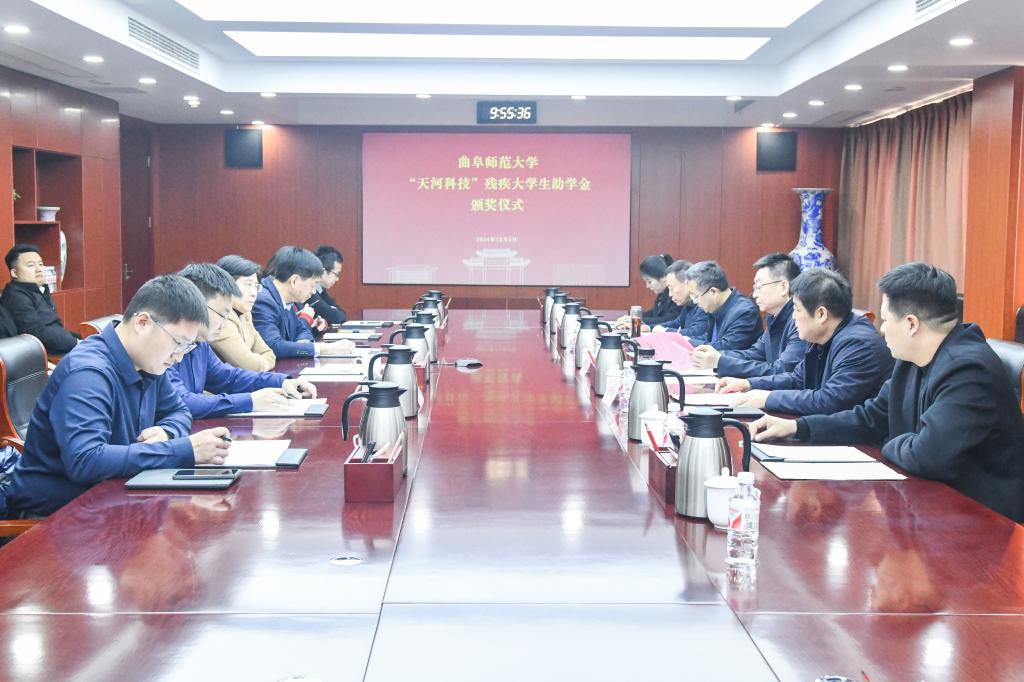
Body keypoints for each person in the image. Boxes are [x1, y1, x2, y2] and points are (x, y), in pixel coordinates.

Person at [749, 262, 1024, 521]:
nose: (881, 329)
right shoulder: (912, 359)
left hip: (980, 518)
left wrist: (889, 441)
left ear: (911, 324)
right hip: (929, 501)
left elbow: (928, 457)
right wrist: (798, 427)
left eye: (885, 320)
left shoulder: (968, 370)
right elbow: (870, 418)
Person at [1, 275, 232, 517]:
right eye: (179, 343)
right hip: (59, 515)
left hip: (114, 496)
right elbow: (85, 460)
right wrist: (183, 450)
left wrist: (167, 432)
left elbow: (179, 410)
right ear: (142, 323)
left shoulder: (148, 362)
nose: (179, 356)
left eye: (188, 346)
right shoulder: (88, 373)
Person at [718, 268, 893, 415]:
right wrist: (748, 384)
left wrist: (768, 398)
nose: (794, 317)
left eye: (797, 309)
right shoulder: (822, 336)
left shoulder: (858, 345)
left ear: (821, 314)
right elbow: (797, 379)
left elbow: (830, 401)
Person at [166, 263, 317, 419]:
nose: (224, 323)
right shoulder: (165, 345)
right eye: (222, 314)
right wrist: (250, 401)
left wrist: (281, 382)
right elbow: (181, 402)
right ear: (196, 305)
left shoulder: (200, 343)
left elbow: (229, 378)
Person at [692, 252, 807, 377]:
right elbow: (754, 354)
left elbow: (782, 371)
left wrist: (721, 362)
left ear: (783, 287)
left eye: (759, 287)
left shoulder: (799, 322)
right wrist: (717, 357)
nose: (755, 294)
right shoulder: (775, 318)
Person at [252, 246, 356, 359]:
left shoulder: (288, 298)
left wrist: (303, 343)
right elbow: (273, 347)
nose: (313, 291)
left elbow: (301, 329)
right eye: (312, 285)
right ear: (294, 281)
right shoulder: (263, 300)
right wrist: (326, 349)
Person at [1, 243, 80, 354]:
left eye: (41, 264)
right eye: (31, 265)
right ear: (14, 273)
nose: (39, 269)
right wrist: (76, 343)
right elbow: (35, 332)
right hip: (40, 356)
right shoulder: (15, 296)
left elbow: (54, 328)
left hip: (60, 348)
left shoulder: (37, 290)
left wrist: (80, 339)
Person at [210, 255, 277, 372]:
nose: (254, 293)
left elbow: (269, 354)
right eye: (248, 284)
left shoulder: (244, 312)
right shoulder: (219, 317)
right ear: (226, 284)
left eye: (256, 286)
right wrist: (260, 363)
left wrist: (259, 363)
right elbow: (250, 366)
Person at [684, 260, 761, 351]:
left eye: (696, 296)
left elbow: (725, 348)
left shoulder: (745, 312)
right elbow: (712, 338)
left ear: (713, 292)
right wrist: (685, 340)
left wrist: (689, 342)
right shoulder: (717, 306)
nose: (694, 301)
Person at [616, 254, 681, 329]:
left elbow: (669, 320)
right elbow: (654, 313)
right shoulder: (662, 293)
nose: (647, 286)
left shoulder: (675, 295)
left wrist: (638, 320)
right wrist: (633, 317)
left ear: (663, 277)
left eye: (649, 281)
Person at [650, 259, 710, 340]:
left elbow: (696, 332)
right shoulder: (688, 304)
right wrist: (649, 328)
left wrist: (665, 331)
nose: (670, 294)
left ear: (687, 284)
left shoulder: (703, 303)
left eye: (671, 288)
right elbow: (676, 323)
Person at [304, 245, 347, 325]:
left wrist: (333, 311)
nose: (337, 279)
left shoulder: (320, 289)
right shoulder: (309, 292)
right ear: (323, 272)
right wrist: (332, 311)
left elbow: (342, 314)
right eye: (336, 274)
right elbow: (335, 317)